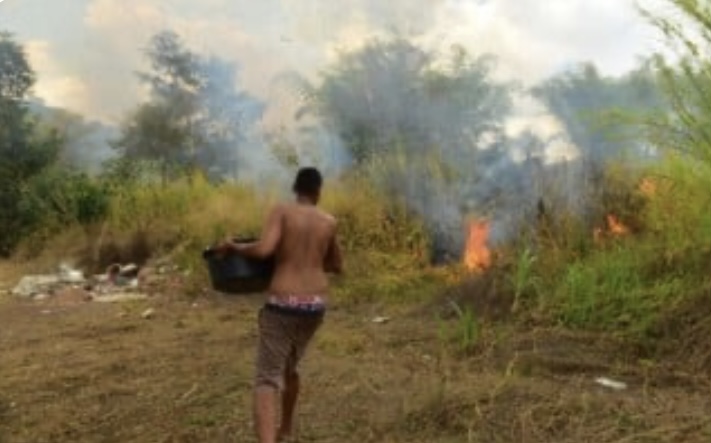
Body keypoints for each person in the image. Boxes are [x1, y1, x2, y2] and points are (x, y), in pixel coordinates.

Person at [218, 166, 343, 443]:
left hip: (283, 305)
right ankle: (285, 430)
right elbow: (336, 264)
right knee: (289, 368)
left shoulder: (283, 211)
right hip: (314, 308)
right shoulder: (329, 221)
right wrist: (309, 258)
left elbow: (264, 249)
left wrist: (234, 247)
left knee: (267, 379)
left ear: (295, 189)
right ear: (318, 192)